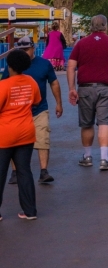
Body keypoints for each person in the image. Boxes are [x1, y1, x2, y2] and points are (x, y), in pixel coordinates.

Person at [67, 15, 108, 171]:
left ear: (91, 27)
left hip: (85, 88)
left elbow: (71, 67)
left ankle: (87, 157)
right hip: (107, 88)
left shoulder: (81, 44)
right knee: (104, 123)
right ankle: (104, 159)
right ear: (105, 26)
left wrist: (72, 88)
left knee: (86, 123)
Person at [2, 36, 63, 185]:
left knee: (43, 138)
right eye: (21, 49)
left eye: (27, 49)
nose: (24, 52)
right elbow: (4, 85)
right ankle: (15, 172)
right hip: (16, 110)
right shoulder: (14, 65)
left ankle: (44, 171)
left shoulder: (44, 64)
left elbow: (54, 83)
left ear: (33, 48)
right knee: (14, 141)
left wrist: (59, 103)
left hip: (39, 109)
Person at [0, 48, 41, 220]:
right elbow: (37, 101)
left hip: (5, 133)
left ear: (9, 66)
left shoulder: (4, 85)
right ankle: (30, 210)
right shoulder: (31, 81)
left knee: (0, 173)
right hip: (26, 132)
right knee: (24, 171)